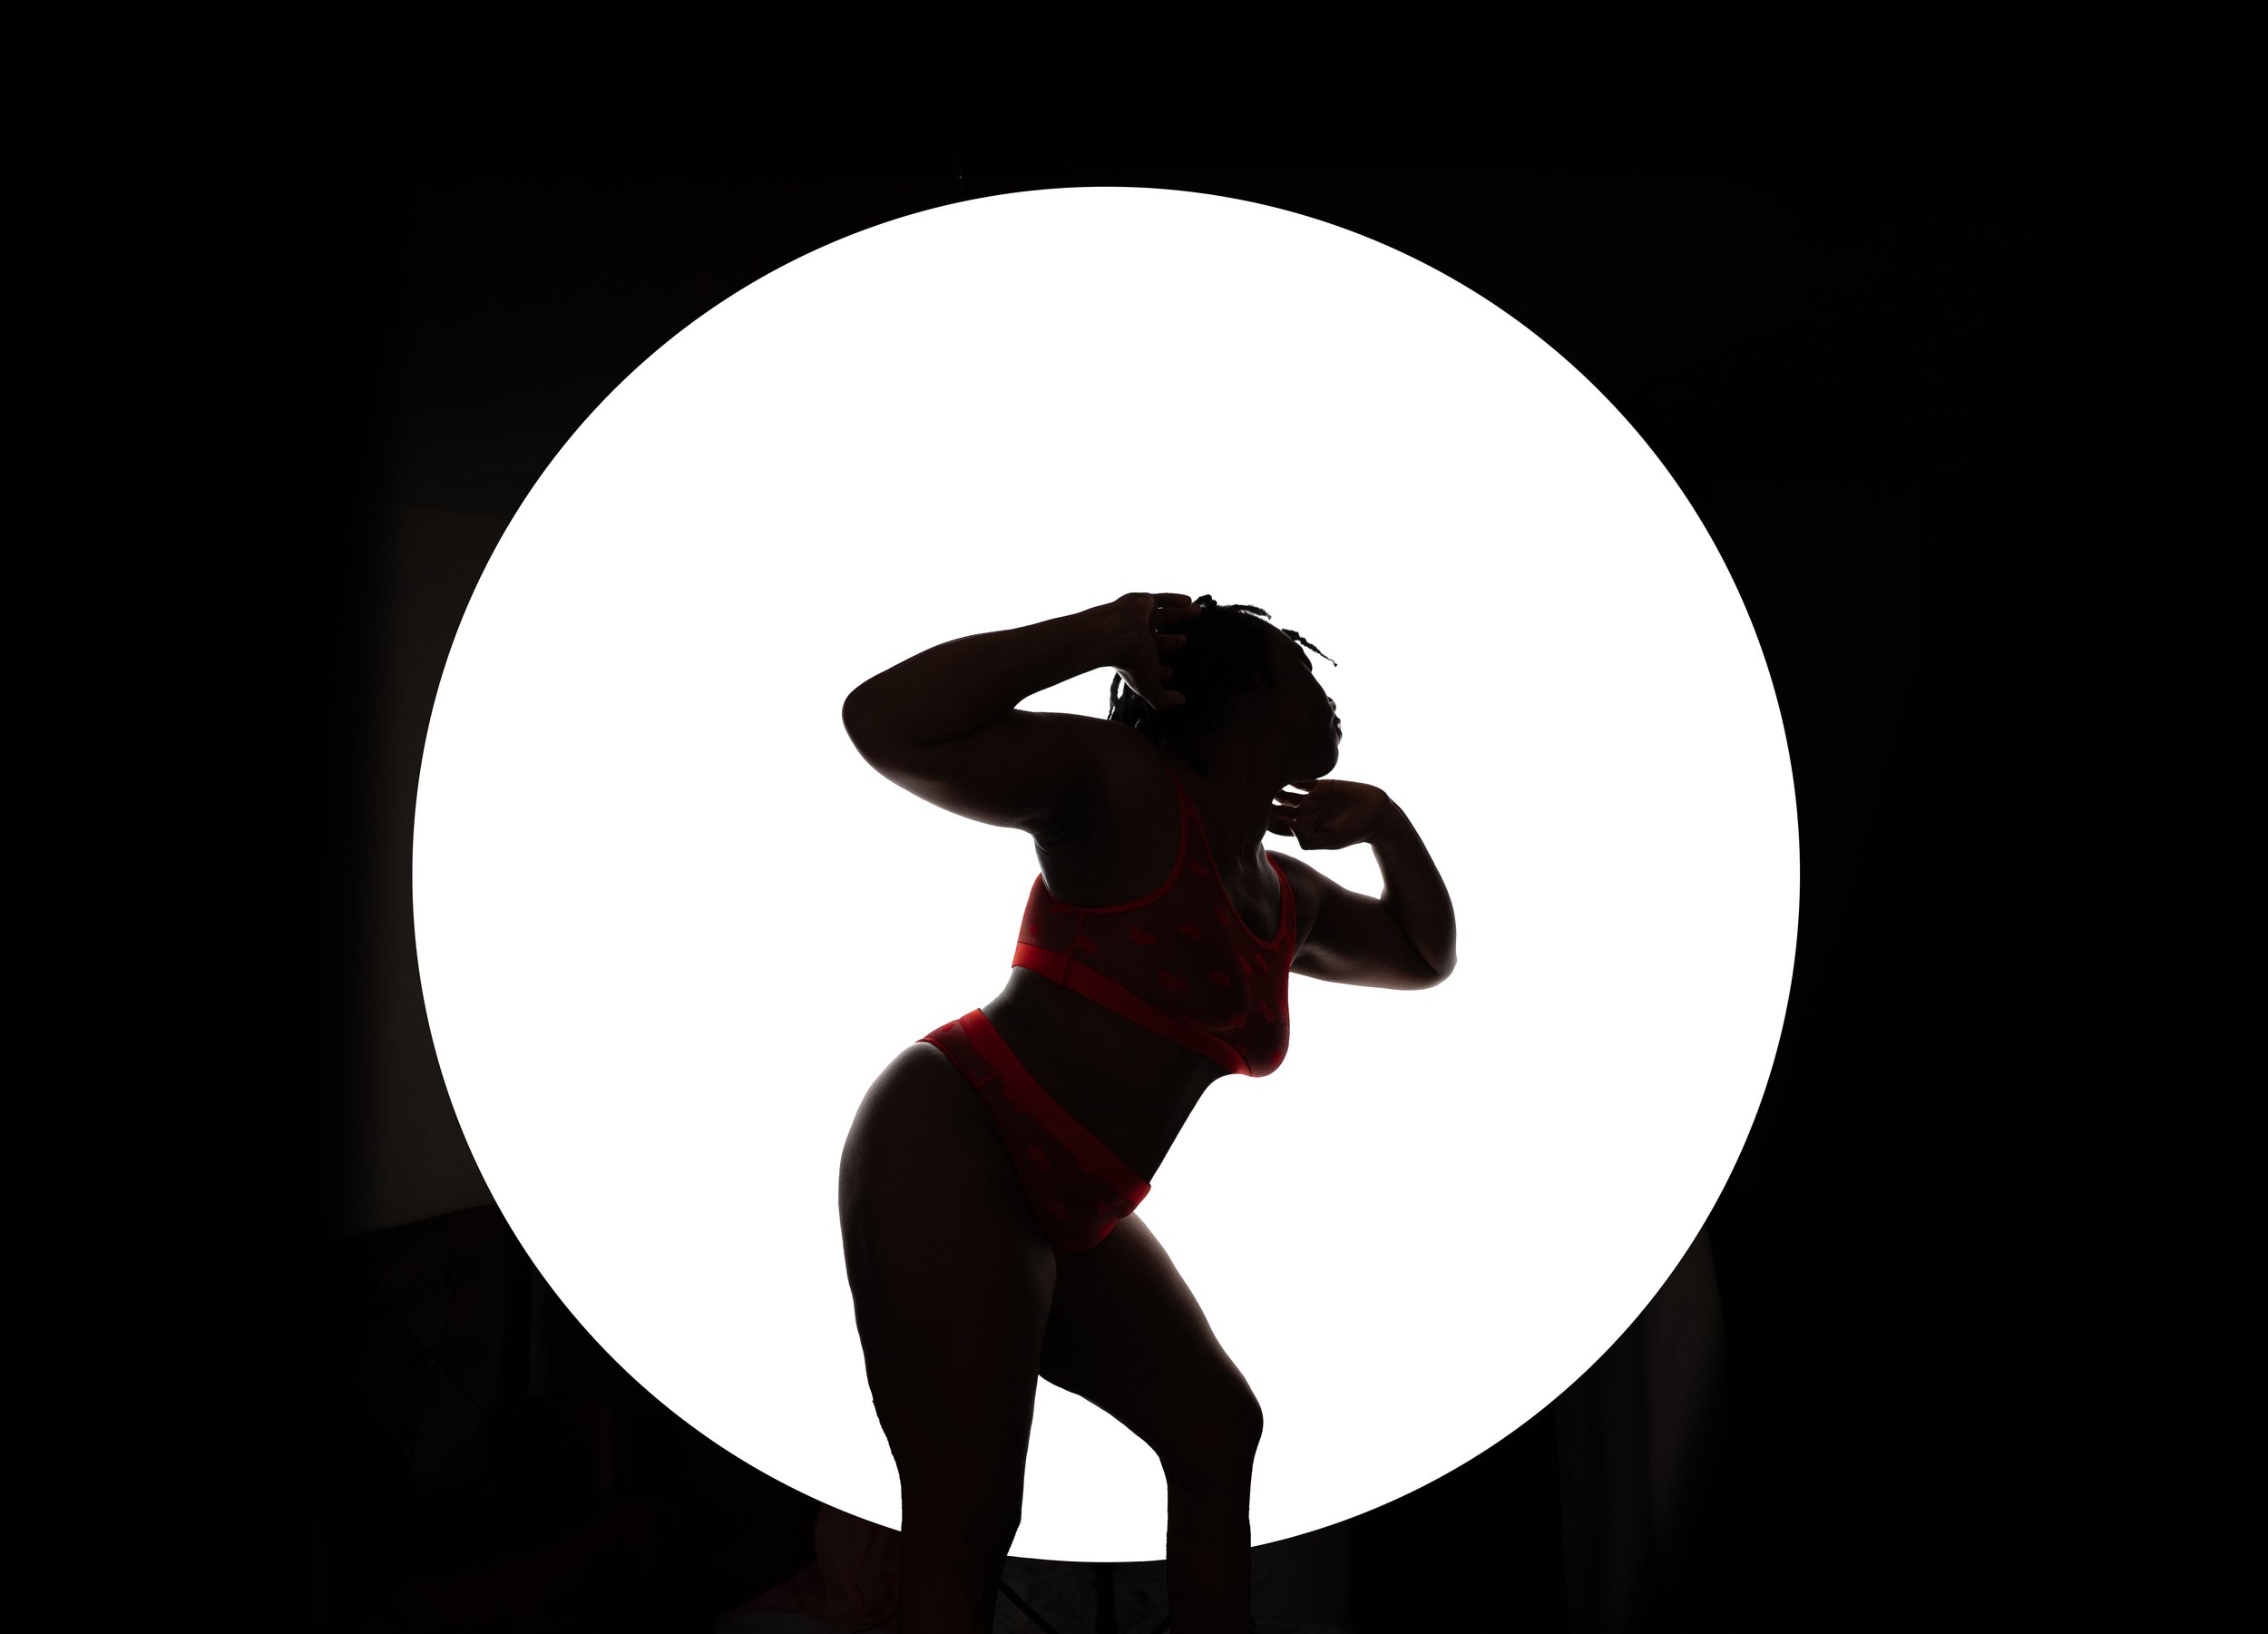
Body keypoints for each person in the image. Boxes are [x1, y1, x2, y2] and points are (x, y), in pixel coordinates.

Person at [836, 591, 1458, 1633]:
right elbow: (885, 722)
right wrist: (1100, 632)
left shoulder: (1281, 895)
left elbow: (1419, 955)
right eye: (1306, 674)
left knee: (1217, 1431)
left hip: (1081, 1199)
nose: (1327, 696)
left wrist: (1388, 822)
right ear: (1253, 686)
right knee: (967, 1515)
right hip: (958, 1136)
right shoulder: (1124, 788)